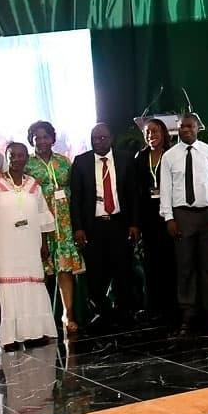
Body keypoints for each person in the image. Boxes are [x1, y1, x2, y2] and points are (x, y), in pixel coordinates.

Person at [0, 142, 58, 349]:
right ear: (7, 157)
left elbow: (42, 217)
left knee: (33, 284)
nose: (17, 159)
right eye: (12, 155)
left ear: (26, 159)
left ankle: (35, 332)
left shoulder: (34, 185)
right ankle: (11, 336)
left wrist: (44, 245)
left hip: (30, 243)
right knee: (8, 286)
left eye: (21, 155)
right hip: (4, 245)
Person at [160, 113, 208, 336]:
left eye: (190, 126)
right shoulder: (169, 156)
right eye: (182, 126)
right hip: (182, 215)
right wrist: (169, 218)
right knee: (185, 266)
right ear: (178, 129)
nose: (186, 130)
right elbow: (165, 189)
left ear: (198, 128)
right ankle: (187, 312)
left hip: (207, 215)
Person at [70, 123, 135, 329]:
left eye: (103, 138)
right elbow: (76, 199)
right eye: (95, 138)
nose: (99, 141)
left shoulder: (125, 159)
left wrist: (134, 223)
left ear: (111, 138)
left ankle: (125, 312)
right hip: (93, 226)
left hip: (119, 223)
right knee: (96, 272)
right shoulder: (81, 162)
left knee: (122, 269)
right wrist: (78, 228)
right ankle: (101, 312)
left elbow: (133, 195)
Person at [25, 120, 84, 333]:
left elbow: (75, 191)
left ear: (52, 138)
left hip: (65, 223)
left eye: (45, 137)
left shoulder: (64, 161)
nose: (41, 141)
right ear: (31, 140)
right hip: (39, 224)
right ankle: (42, 318)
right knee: (42, 272)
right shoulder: (26, 163)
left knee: (64, 270)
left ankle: (67, 314)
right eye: (37, 137)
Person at [125, 118, 177, 323]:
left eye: (155, 131)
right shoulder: (141, 156)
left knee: (170, 261)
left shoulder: (172, 155)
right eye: (147, 133)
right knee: (151, 262)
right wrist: (136, 222)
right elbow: (136, 193)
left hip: (170, 215)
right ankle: (154, 306)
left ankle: (173, 305)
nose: (151, 136)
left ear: (163, 133)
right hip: (148, 217)